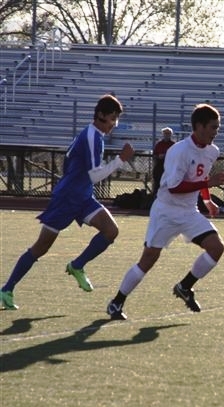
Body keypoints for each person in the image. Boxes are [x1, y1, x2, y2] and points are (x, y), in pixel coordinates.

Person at [0, 94, 135, 310]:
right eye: (112, 118)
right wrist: (120, 160)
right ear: (100, 115)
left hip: (82, 196)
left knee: (111, 231)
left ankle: (77, 265)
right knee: (41, 247)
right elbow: (94, 175)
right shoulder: (92, 136)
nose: (114, 124)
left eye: (116, 119)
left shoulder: (94, 135)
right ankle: (7, 289)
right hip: (67, 199)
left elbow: (72, 165)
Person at [106, 103, 224, 320]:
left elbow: (200, 178)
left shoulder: (212, 151)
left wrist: (207, 200)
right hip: (166, 211)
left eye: (217, 127)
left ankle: (185, 286)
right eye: (213, 127)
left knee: (216, 247)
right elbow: (174, 187)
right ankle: (116, 302)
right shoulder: (179, 151)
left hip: (189, 211)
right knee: (148, 260)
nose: (216, 132)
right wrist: (209, 184)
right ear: (199, 126)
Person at [152, 127, 175, 197]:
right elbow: (154, 155)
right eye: (165, 133)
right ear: (163, 134)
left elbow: (176, 155)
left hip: (169, 167)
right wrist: (159, 156)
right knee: (157, 184)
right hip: (159, 165)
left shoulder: (173, 144)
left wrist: (167, 156)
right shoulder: (159, 144)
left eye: (168, 133)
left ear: (171, 135)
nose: (167, 135)